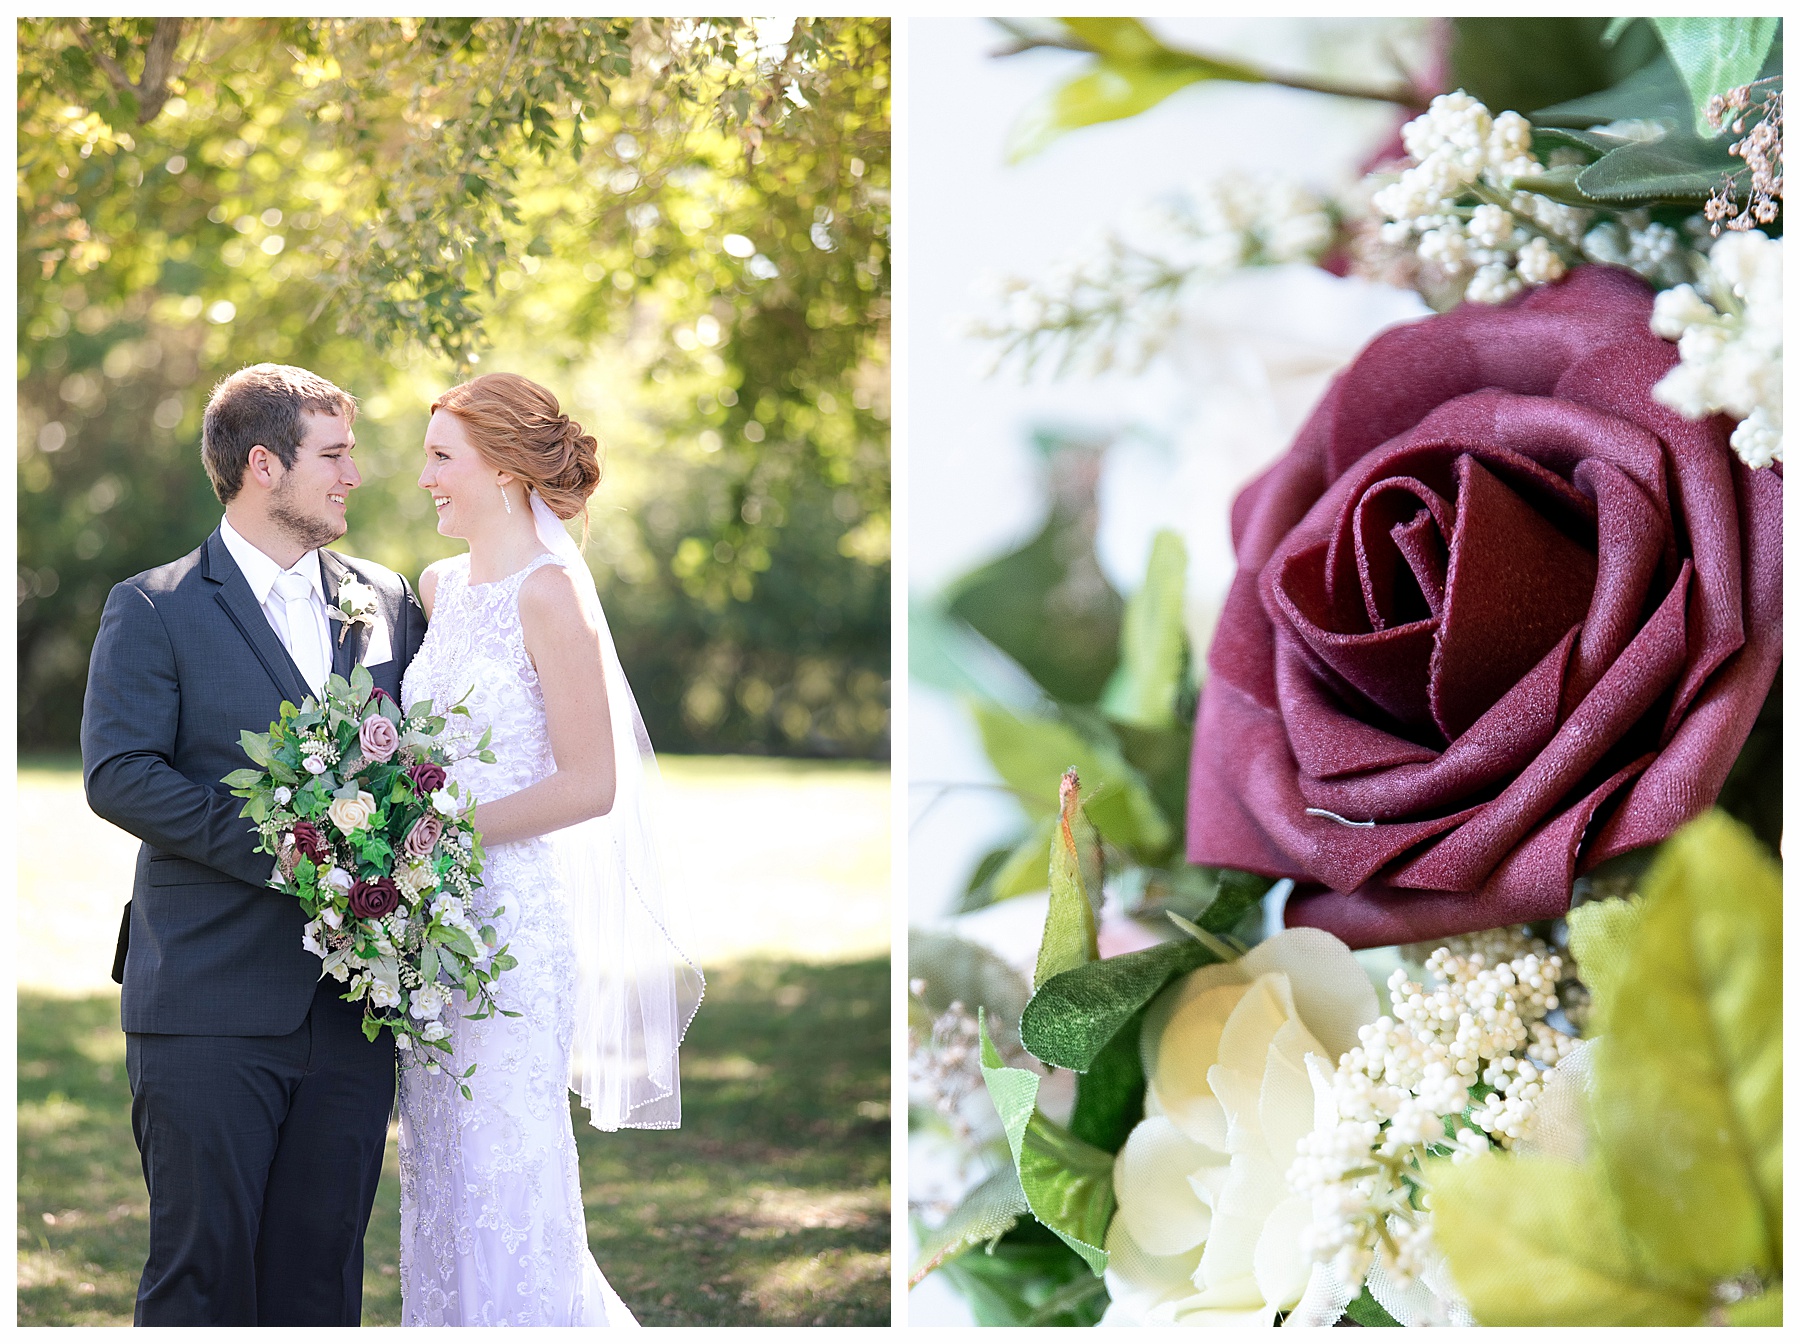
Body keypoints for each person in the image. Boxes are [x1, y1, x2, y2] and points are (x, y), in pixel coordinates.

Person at [81, 363, 428, 1325]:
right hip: (208, 1001)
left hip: (354, 1012)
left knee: (321, 1289)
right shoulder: (154, 607)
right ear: (264, 465)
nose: (355, 475)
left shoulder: (387, 599)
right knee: (203, 1281)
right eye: (335, 455)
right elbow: (120, 773)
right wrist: (295, 851)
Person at [398, 372, 703, 1326]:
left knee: (506, 1165)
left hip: (510, 925)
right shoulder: (438, 588)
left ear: (504, 468)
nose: (425, 478)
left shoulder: (552, 594)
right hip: (425, 932)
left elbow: (591, 782)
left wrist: (444, 837)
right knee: (439, 1172)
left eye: (442, 456)